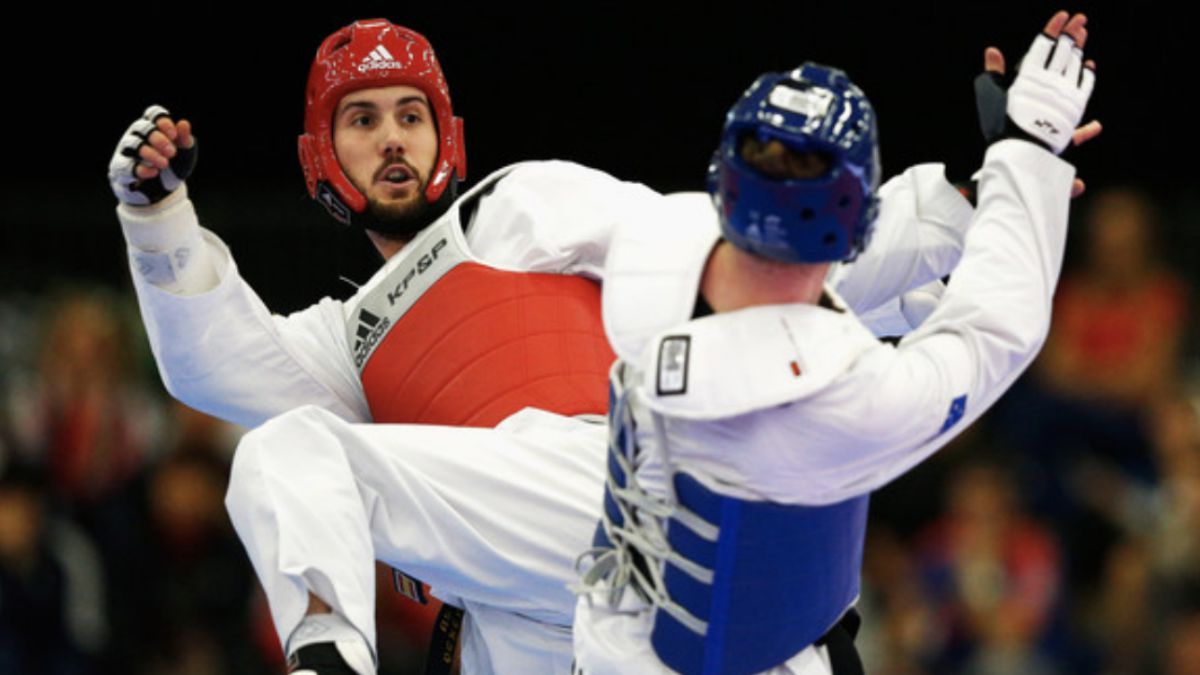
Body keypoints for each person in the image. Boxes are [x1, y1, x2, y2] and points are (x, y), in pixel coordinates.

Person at [106, 18, 982, 675]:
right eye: (361, 121)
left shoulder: (517, 204)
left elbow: (716, 251)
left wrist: (959, 207)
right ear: (319, 157)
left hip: (607, 494)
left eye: (411, 115)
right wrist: (156, 215)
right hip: (511, 607)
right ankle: (329, 658)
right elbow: (209, 364)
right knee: (278, 451)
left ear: (446, 134)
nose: (391, 139)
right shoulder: (342, 338)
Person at [572, 11, 1097, 675]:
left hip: (611, 639)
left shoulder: (656, 248)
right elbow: (995, 327)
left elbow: (818, 271)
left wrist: (978, 192)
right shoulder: (847, 398)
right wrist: (1027, 155)